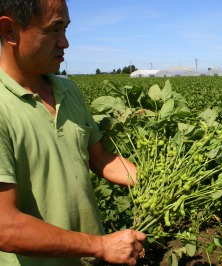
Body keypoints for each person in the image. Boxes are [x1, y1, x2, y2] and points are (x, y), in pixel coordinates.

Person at [0, 0, 146, 265]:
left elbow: (100, 158)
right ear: (10, 31)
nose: (65, 43)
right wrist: (100, 245)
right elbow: (5, 226)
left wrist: (152, 180)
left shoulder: (69, 91)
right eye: (54, 30)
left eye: (66, 29)